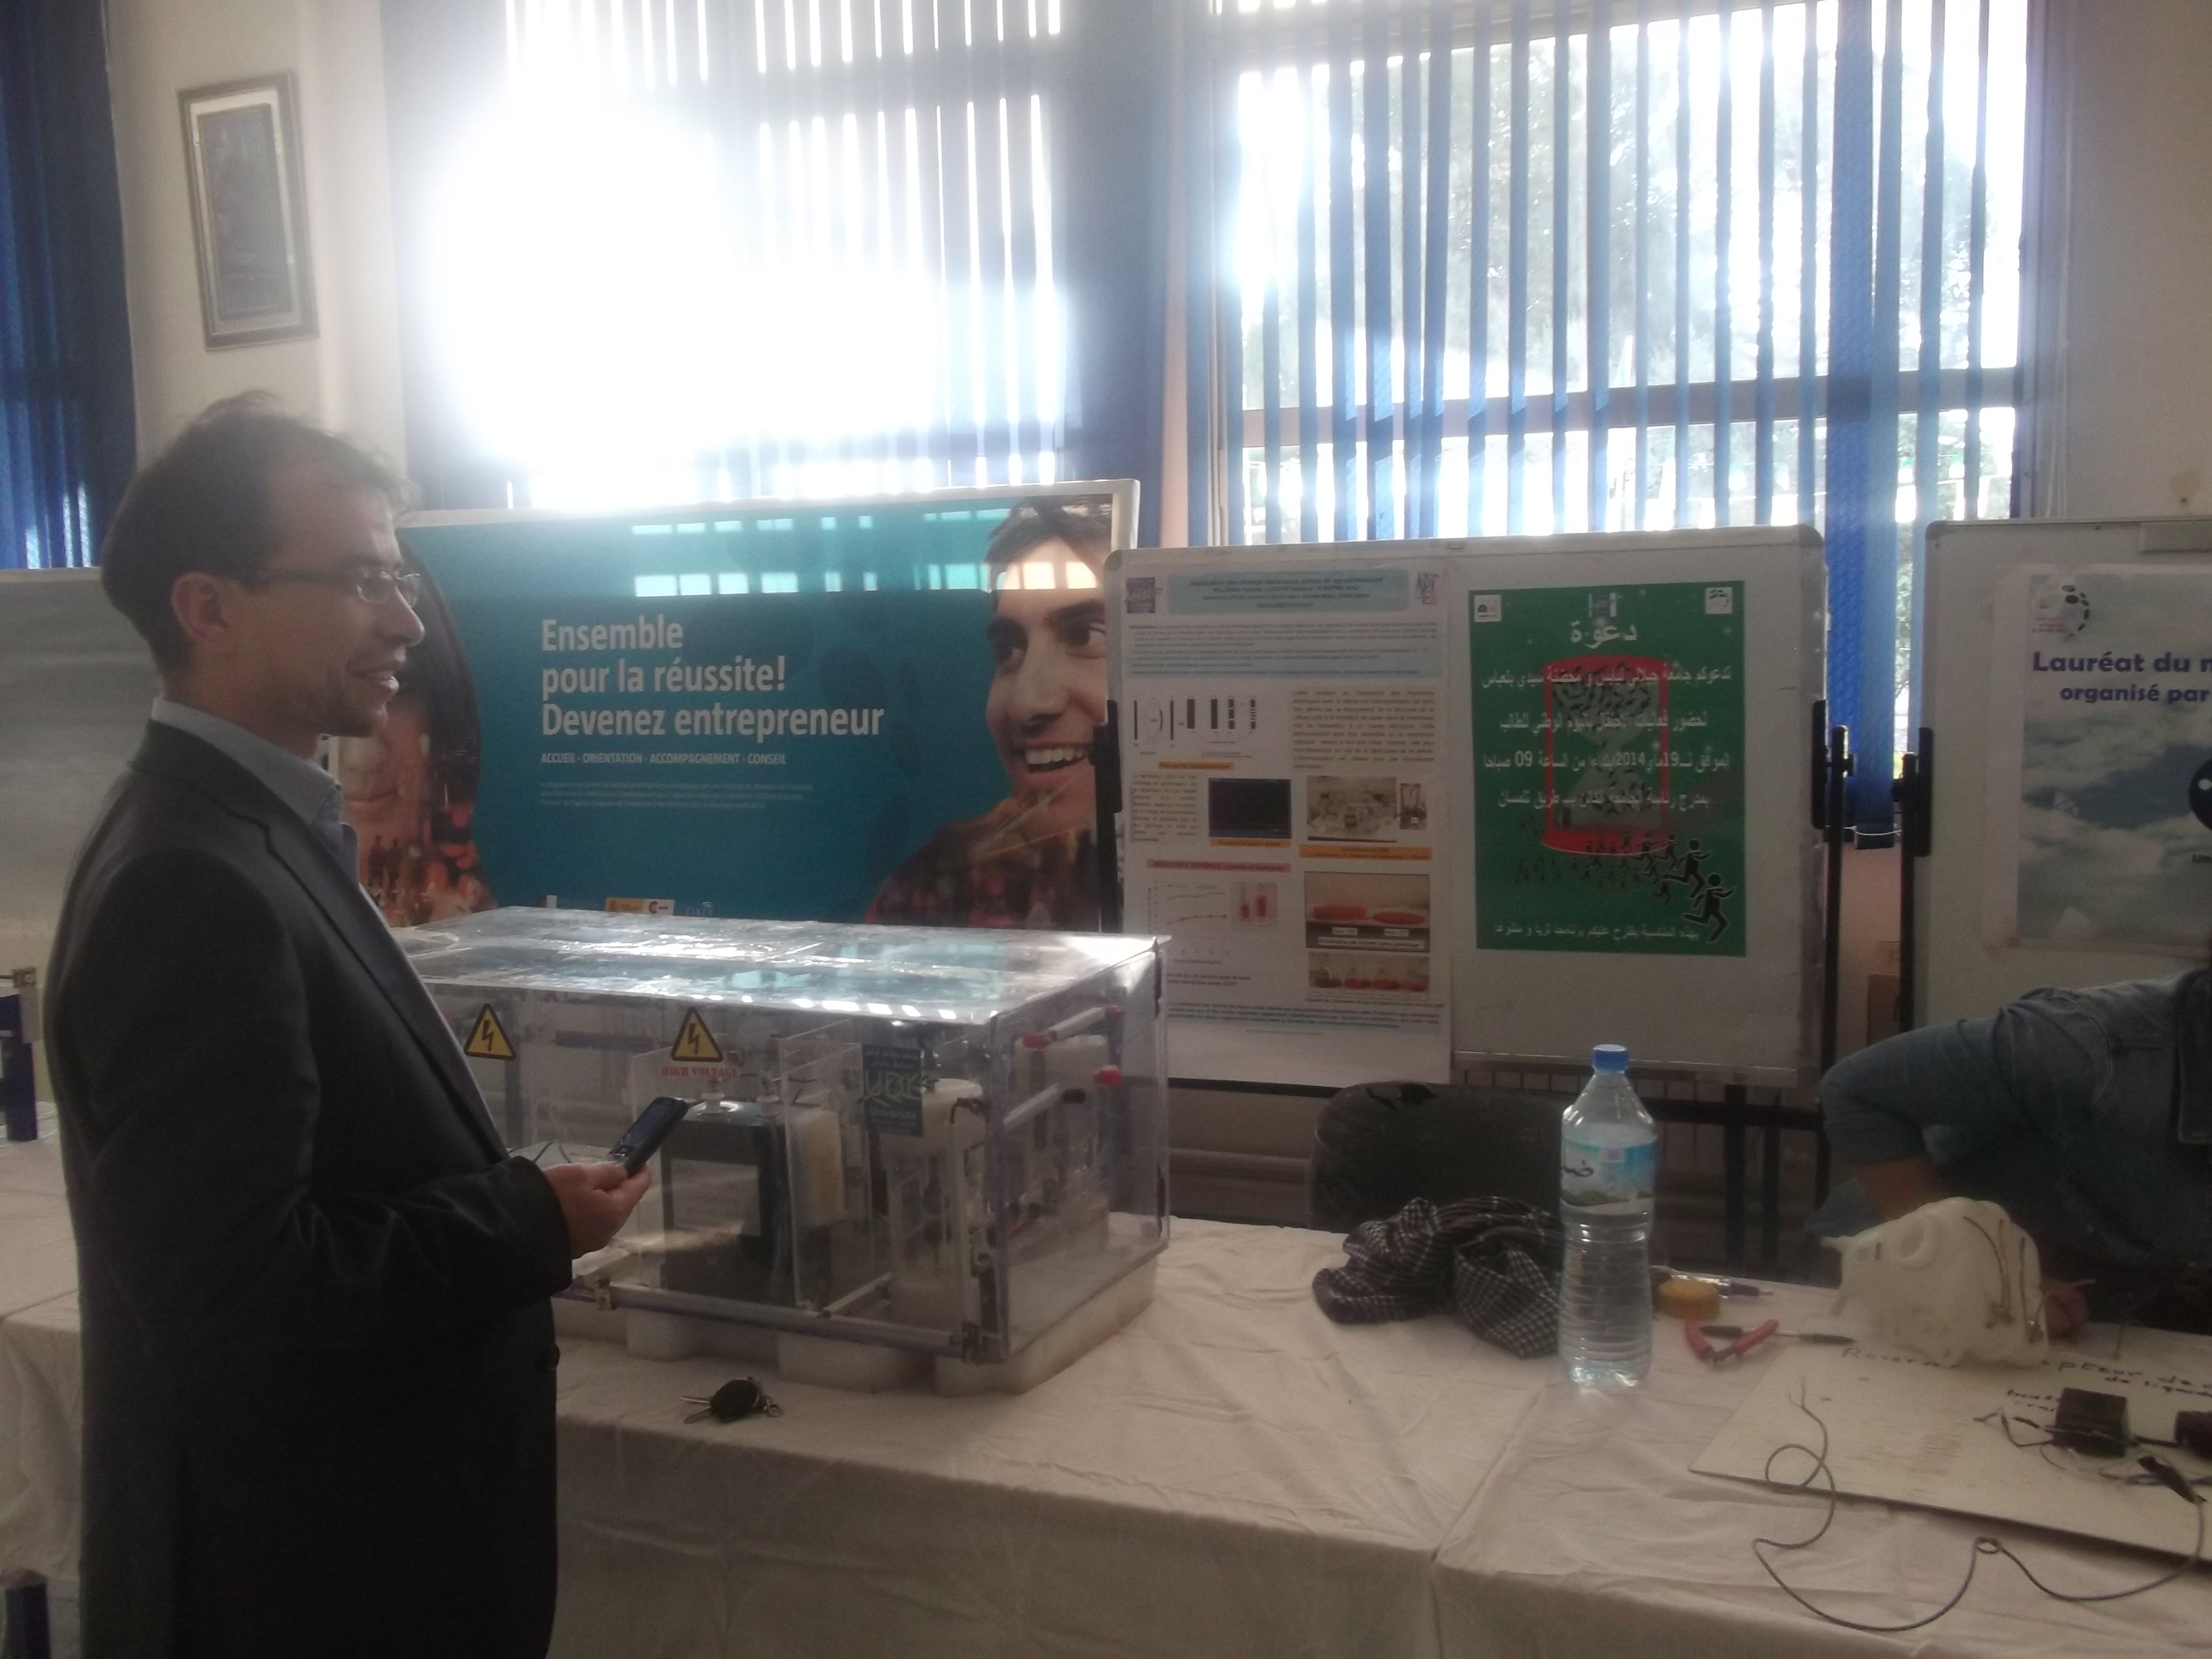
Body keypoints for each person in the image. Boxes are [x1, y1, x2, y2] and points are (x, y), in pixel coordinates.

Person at [45, 395, 652, 1659]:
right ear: (209, 608)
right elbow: (247, 1302)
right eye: (364, 579)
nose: (407, 621)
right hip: (302, 1591)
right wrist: (523, 1223)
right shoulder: (189, 883)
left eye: (402, 576)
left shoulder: (252, 833)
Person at [1811, 967, 2212, 1337]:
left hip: (2065, 1322)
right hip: (1881, 1282)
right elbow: (1855, 1090)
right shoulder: (2092, 1048)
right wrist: (1982, 1274)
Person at [866, 496, 1109, 929]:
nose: (1026, 704)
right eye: (1009, 650)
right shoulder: (937, 889)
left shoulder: (1218, 874)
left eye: (1083, 636)